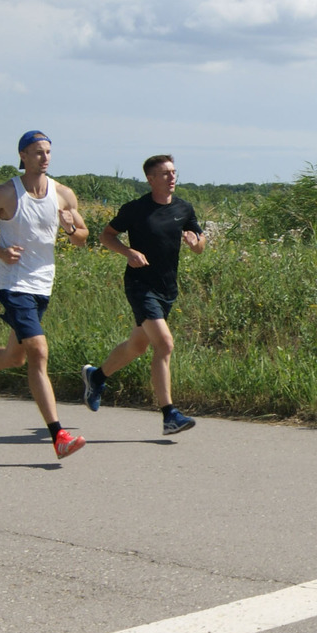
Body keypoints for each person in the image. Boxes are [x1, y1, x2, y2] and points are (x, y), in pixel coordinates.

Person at [0, 130, 89, 460]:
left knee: (15, 356)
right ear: (22, 155)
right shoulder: (5, 193)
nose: (45, 157)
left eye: (49, 151)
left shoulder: (63, 194)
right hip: (14, 284)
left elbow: (82, 237)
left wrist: (69, 228)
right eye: (38, 152)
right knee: (38, 351)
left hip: (43, 285)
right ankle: (59, 436)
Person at [81, 154, 205, 435]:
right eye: (164, 174)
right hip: (140, 285)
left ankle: (96, 376)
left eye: (173, 172)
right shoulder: (135, 209)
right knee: (165, 344)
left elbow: (200, 243)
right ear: (151, 179)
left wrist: (195, 241)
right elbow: (106, 235)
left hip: (167, 288)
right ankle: (169, 414)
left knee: (138, 345)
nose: (171, 177)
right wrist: (128, 252)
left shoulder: (184, 209)